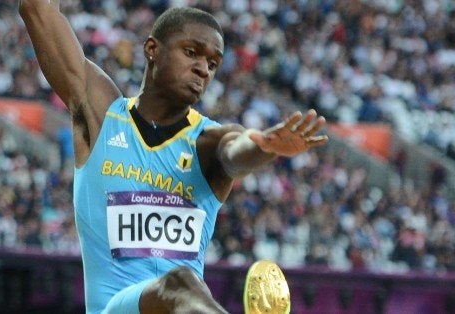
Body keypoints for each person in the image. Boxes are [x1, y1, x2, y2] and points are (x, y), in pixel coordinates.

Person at [19, 1, 328, 313]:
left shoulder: (209, 141)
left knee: (181, 284)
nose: (203, 69)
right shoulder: (101, 116)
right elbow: (36, 8)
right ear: (152, 49)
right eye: (191, 52)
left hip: (185, 308)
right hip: (117, 308)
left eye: (213, 63)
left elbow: (235, 153)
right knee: (178, 282)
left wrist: (263, 147)